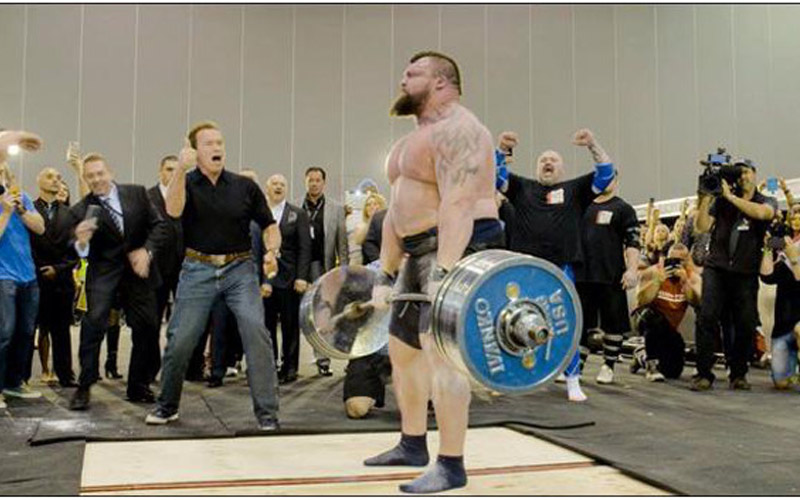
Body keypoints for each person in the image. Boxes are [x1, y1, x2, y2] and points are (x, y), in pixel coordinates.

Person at [362, 50, 504, 494]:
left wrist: (444, 271)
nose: (403, 79)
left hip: (458, 245)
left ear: (442, 82)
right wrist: (386, 274)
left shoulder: (462, 130)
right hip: (416, 252)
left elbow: (458, 203)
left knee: (443, 354)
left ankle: (451, 463)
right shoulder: (409, 142)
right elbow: (393, 214)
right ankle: (412, 442)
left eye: (414, 73)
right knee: (403, 351)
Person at [146, 121, 281, 431]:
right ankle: (167, 406)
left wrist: (271, 251)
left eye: (220, 142)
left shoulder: (244, 186)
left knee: (256, 332)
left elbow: (269, 225)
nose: (217, 148)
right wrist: (180, 168)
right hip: (198, 268)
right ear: (194, 150)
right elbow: (174, 210)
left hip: (240, 269)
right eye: (208, 144)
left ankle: (268, 414)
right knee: (181, 338)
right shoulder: (187, 182)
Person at [495, 127, 617, 402]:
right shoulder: (522, 187)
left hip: (561, 268)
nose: (547, 163)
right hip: (524, 267)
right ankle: (507, 377)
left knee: (565, 324)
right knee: (510, 319)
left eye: (553, 160)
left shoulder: (575, 190)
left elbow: (607, 174)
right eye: (543, 160)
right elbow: (494, 177)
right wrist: (501, 149)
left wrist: (593, 144)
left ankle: (573, 380)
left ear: (561, 168)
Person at [67, 153, 168, 410]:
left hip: (138, 271)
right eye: (90, 176)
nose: (96, 179)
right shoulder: (81, 210)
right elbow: (71, 248)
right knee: (93, 325)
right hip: (104, 272)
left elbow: (158, 226)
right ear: (85, 179)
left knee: (147, 326)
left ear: (110, 172)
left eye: (100, 173)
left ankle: (138, 384)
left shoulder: (136, 193)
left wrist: (147, 251)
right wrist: (81, 241)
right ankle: (84, 385)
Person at [692, 159, 777, 391]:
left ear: (755, 175)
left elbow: (763, 213)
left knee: (746, 323)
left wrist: (731, 198)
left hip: (745, 273)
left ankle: (738, 373)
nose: (743, 177)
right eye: (739, 173)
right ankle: (703, 373)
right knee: (707, 317)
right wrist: (706, 197)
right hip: (716, 269)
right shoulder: (721, 200)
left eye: (747, 172)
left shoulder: (765, 200)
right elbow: (701, 226)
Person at [575, 174, 641, 384]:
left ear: (617, 182)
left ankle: (608, 366)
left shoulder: (623, 209)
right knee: (581, 325)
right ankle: (576, 367)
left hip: (611, 276)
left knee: (614, 324)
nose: (606, 182)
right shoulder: (581, 206)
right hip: (583, 277)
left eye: (610, 178)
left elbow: (633, 243)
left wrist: (631, 270)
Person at [0, 129, 46, 409]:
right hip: (3, 277)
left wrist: (19, 210)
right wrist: (5, 212)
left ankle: (14, 382)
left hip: (28, 275)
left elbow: (40, 227)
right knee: (4, 332)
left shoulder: (21, 197)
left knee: (26, 332)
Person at [258, 174, 311, 385]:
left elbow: (305, 248)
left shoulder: (297, 214)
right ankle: (270, 366)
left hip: (290, 279)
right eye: (274, 184)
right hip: (265, 280)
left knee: (290, 325)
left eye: (282, 184)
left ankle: (290, 367)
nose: (278, 187)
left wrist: (301, 277)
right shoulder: (259, 214)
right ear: (267, 188)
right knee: (267, 325)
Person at [30, 167, 78, 387]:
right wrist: (39, 268)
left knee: (61, 332)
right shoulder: (28, 209)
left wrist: (58, 269)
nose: (55, 180)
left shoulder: (70, 214)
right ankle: (21, 377)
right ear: (38, 181)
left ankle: (65, 374)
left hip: (61, 281)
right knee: (28, 330)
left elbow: (75, 250)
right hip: (33, 279)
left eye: (58, 177)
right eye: (49, 176)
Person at [344, 196, 390, 419]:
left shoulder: (426, 271)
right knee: (356, 409)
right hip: (373, 349)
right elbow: (348, 314)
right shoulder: (368, 273)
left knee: (430, 406)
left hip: (415, 351)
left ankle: (426, 392)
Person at [300, 166, 348, 377]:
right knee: (301, 317)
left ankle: (322, 359)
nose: (314, 183)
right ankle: (289, 361)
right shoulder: (297, 207)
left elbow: (342, 245)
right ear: (306, 182)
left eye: (318, 180)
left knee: (322, 315)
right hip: (300, 270)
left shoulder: (336, 209)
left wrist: (343, 273)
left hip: (324, 267)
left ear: (324, 183)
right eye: (310, 180)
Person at [633, 243, 701, 381]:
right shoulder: (652, 272)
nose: (676, 265)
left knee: (672, 372)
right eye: (673, 260)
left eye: (681, 261)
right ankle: (651, 365)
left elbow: (699, 303)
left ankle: (641, 356)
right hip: (648, 320)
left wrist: (685, 283)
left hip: (671, 328)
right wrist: (658, 281)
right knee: (652, 316)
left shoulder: (692, 277)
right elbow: (641, 301)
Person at [759, 207, 800, 389]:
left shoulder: (792, 251)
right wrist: (768, 248)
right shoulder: (787, 246)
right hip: (784, 323)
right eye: (793, 216)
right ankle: (791, 371)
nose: (796, 219)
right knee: (781, 383)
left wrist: (794, 259)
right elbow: (767, 276)